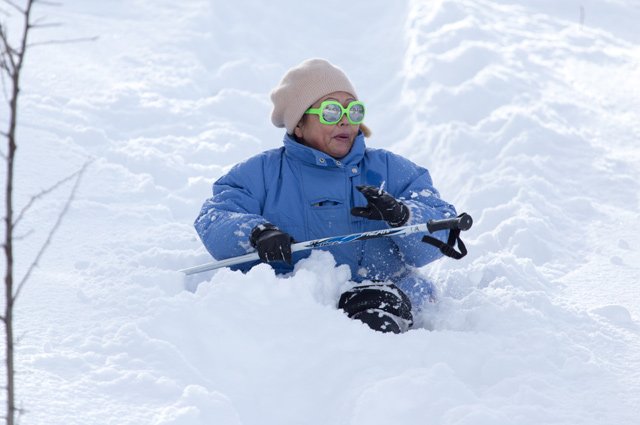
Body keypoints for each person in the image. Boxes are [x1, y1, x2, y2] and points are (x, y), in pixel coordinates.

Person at [195, 58, 457, 333]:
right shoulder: (262, 174)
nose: (345, 120)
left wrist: (404, 216)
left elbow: (440, 226)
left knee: (374, 325)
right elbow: (216, 216)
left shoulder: (391, 171)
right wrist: (256, 233)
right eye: (331, 112)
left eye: (353, 111)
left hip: (385, 297)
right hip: (296, 305)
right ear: (299, 124)